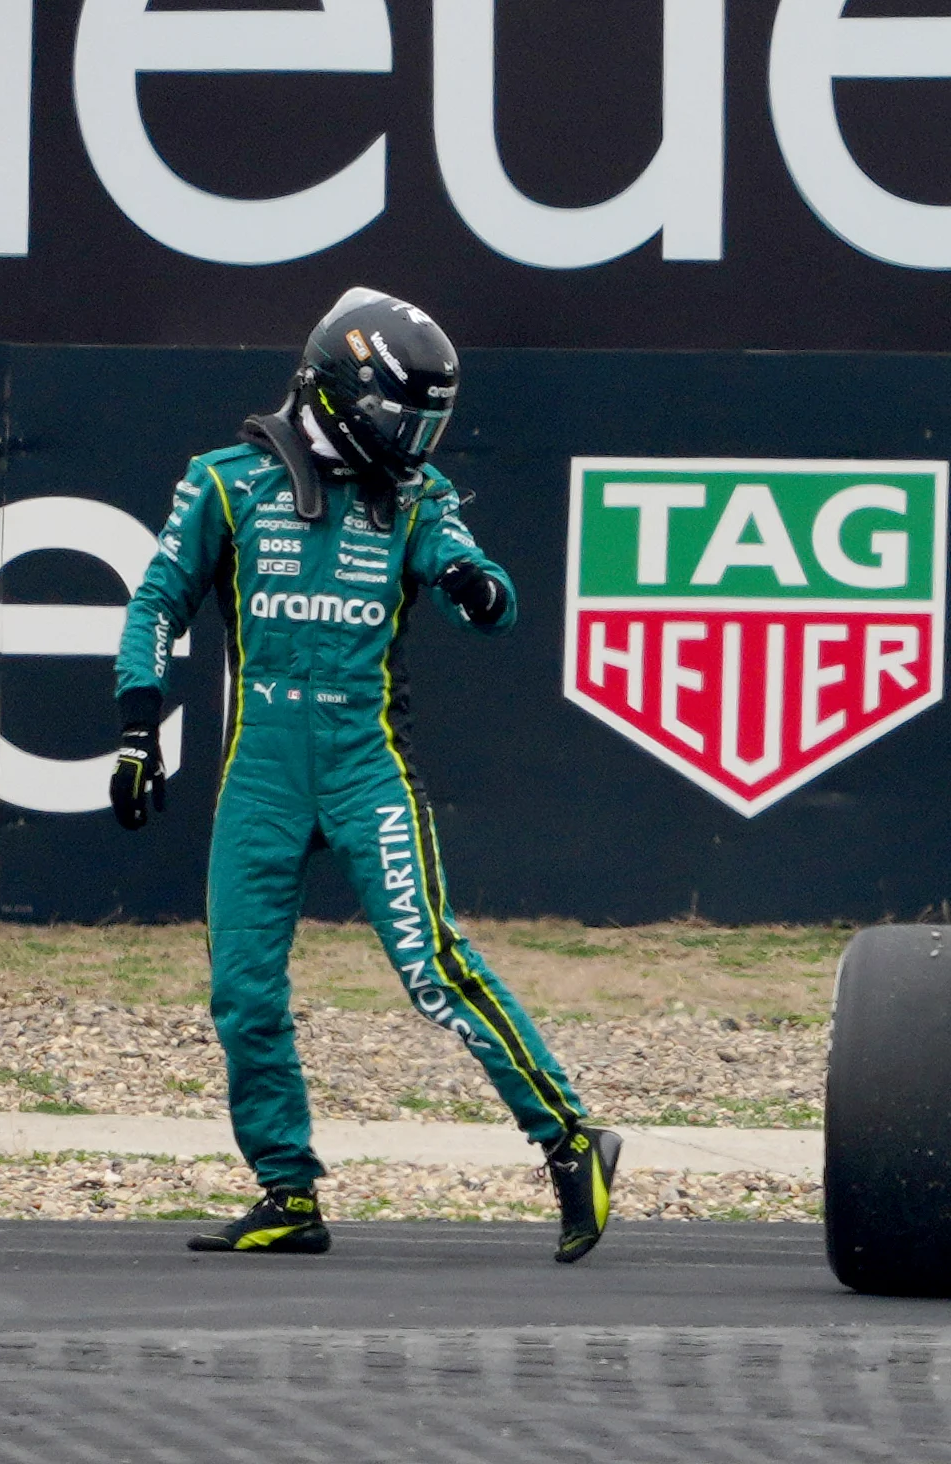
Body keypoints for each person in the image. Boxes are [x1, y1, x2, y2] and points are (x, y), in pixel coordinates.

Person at [109, 287, 621, 1262]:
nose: (417, 440)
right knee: (243, 990)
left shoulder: (419, 500)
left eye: (432, 421)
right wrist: (139, 726)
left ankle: (571, 1138)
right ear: (338, 390)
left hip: (364, 761)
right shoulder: (224, 484)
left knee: (433, 967)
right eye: (403, 416)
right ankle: (286, 1192)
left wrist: (477, 586)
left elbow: (495, 600)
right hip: (261, 766)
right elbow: (155, 607)